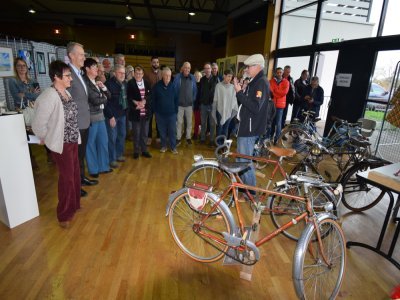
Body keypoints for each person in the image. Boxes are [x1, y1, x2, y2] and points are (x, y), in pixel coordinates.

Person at [32, 60, 81, 229]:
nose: (70, 79)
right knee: (67, 179)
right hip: (61, 144)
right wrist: (47, 137)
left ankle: (74, 205)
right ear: (56, 77)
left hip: (73, 140)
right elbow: (37, 124)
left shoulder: (67, 93)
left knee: (75, 174)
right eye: (67, 76)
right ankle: (64, 214)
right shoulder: (48, 96)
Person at [233, 54, 271, 189]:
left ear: (257, 67)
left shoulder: (261, 82)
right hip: (246, 126)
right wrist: (243, 90)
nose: (247, 69)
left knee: (244, 162)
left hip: (250, 129)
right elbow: (248, 103)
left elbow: (255, 107)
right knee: (240, 160)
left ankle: (251, 193)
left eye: (249, 67)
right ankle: (244, 190)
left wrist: (239, 93)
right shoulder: (255, 81)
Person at [67, 42, 98, 197]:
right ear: (71, 56)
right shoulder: (68, 76)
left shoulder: (79, 74)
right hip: (76, 124)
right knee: (75, 157)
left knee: (81, 154)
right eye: (81, 54)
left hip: (85, 121)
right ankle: (75, 186)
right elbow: (67, 100)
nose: (84, 57)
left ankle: (81, 178)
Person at [82, 58, 112, 178]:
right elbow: (93, 100)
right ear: (87, 69)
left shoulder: (96, 81)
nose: (97, 69)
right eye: (94, 67)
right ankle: (93, 169)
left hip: (101, 116)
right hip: (92, 118)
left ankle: (104, 166)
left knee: (103, 142)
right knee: (91, 144)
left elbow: (108, 96)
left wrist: (103, 89)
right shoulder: (85, 82)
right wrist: (103, 99)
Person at [104, 64, 128, 168]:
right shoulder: (108, 84)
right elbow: (106, 103)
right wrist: (110, 116)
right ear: (115, 73)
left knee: (122, 135)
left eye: (124, 73)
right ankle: (112, 159)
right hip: (112, 116)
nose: (122, 75)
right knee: (112, 138)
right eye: (120, 73)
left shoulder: (125, 84)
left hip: (122, 114)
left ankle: (119, 154)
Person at [127, 65, 152, 159]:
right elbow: (128, 97)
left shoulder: (147, 82)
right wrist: (136, 103)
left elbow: (150, 95)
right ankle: (136, 151)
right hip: (136, 112)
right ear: (134, 74)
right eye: (136, 73)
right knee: (136, 133)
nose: (138, 75)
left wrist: (145, 101)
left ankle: (144, 150)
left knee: (145, 133)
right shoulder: (130, 83)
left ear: (143, 74)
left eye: (140, 73)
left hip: (145, 112)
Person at [152, 67, 178, 154]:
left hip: (171, 114)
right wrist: (156, 111)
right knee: (162, 132)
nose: (167, 78)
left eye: (169, 76)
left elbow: (176, 100)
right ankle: (163, 146)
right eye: (166, 76)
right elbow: (153, 100)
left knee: (172, 132)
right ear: (162, 76)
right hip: (160, 114)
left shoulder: (174, 86)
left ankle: (173, 147)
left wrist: (175, 112)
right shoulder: (156, 86)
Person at [173, 61, 197, 146]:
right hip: (179, 105)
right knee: (179, 123)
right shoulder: (177, 77)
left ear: (190, 69)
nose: (187, 69)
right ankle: (178, 138)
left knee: (189, 123)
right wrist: (176, 100)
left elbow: (195, 90)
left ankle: (188, 138)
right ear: (182, 68)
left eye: (188, 68)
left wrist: (192, 99)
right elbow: (174, 90)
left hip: (189, 105)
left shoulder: (192, 78)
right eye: (185, 67)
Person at [213, 69, 238, 138]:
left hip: (229, 112)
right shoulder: (218, 86)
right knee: (219, 128)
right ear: (224, 76)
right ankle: (218, 144)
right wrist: (214, 110)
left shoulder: (233, 87)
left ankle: (224, 146)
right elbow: (215, 99)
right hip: (219, 111)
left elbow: (234, 101)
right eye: (228, 76)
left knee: (225, 129)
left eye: (231, 77)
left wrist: (233, 109)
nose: (230, 78)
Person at [199, 63, 219, 146]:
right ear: (204, 70)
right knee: (203, 123)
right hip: (203, 105)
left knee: (212, 124)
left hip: (212, 105)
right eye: (205, 68)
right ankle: (202, 138)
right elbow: (200, 92)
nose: (207, 70)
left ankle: (211, 140)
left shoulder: (216, 79)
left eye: (208, 68)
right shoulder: (202, 79)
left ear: (211, 69)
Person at [144, 56, 162, 146]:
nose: (156, 64)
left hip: (159, 101)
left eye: (157, 62)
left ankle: (159, 136)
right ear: (151, 63)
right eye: (154, 62)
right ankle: (149, 136)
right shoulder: (146, 73)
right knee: (149, 119)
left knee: (158, 119)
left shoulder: (161, 73)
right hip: (150, 101)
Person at [269, 67, 289, 144]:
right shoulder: (271, 81)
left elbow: (284, 92)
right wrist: (277, 92)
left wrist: (275, 92)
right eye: (278, 72)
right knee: (271, 122)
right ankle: (270, 137)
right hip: (272, 105)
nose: (279, 74)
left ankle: (277, 139)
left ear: (282, 73)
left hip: (280, 106)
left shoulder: (286, 82)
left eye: (281, 72)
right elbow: (270, 91)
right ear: (275, 73)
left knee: (278, 123)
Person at [193, 70, 202, 139]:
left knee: (201, 121)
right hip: (195, 106)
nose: (197, 77)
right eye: (196, 76)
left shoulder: (203, 84)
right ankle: (195, 133)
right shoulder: (192, 84)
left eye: (198, 76)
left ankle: (201, 133)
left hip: (202, 105)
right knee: (196, 121)